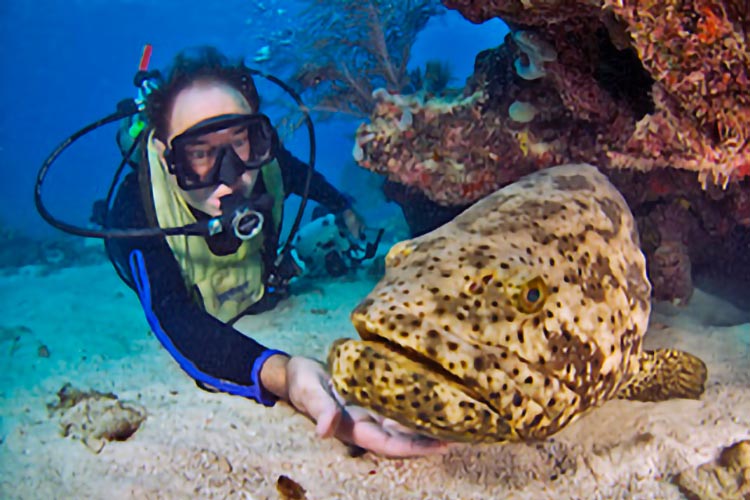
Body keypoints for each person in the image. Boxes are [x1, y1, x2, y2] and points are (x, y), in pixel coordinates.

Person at [105, 46, 447, 457]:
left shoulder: (267, 165)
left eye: (240, 142)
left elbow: (300, 175)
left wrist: (342, 205)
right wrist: (284, 375)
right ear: (167, 157)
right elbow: (174, 317)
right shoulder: (135, 213)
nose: (231, 175)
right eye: (200, 154)